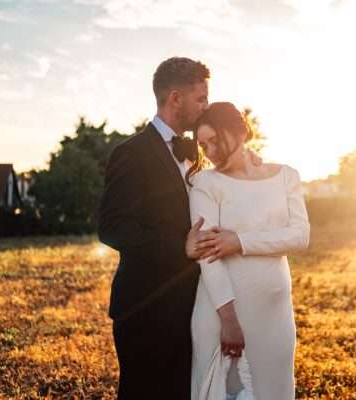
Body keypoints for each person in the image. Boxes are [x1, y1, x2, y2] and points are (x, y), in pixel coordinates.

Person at [98, 56, 211, 399]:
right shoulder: (131, 152)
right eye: (200, 98)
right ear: (176, 98)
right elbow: (113, 227)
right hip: (145, 307)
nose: (205, 107)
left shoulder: (197, 154)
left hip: (191, 305)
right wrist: (181, 247)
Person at [186, 102, 311, 400]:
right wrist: (229, 322)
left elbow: (300, 237)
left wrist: (239, 241)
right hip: (223, 315)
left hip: (275, 315)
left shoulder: (286, 176)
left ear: (240, 132)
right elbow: (208, 257)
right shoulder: (206, 182)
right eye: (203, 145)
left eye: (215, 140)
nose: (210, 152)